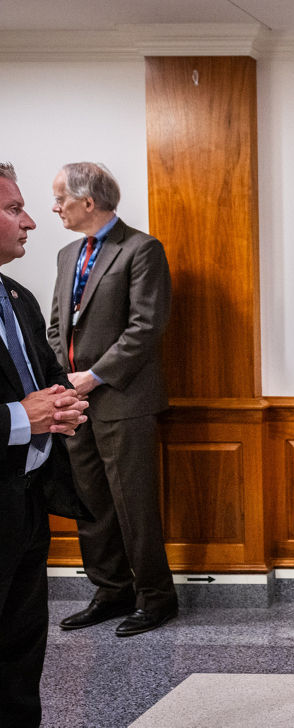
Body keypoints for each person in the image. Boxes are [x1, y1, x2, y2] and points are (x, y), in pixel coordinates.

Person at [48, 162, 178, 638]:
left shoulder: (141, 249)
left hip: (124, 400)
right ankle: (110, 591)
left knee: (132, 506)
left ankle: (156, 599)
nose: (55, 207)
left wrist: (95, 376)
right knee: (91, 504)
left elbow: (146, 327)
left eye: (61, 197)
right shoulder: (66, 254)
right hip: (73, 402)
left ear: (88, 201)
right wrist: (63, 379)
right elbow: (57, 323)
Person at [0, 162, 90, 726]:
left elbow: (46, 377)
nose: (30, 221)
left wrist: (62, 406)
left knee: (19, 658)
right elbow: (22, 409)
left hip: (26, 503)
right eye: (13, 210)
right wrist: (18, 418)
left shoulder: (16, 295)